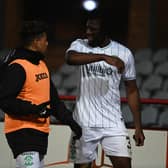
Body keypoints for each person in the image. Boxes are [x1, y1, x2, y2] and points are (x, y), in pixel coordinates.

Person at [65, 9, 145, 168]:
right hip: (83, 122)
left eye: (93, 29)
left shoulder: (124, 53)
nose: (88, 32)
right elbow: (70, 58)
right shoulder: (79, 45)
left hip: (113, 123)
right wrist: (103, 57)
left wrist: (138, 126)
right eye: (87, 27)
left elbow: (132, 90)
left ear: (105, 31)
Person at [0, 20, 82, 168]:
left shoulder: (41, 65)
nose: (47, 43)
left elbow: (54, 101)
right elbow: (5, 101)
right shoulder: (18, 67)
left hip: (39, 133)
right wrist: (35, 109)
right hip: (22, 133)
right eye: (45, 40)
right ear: (36, 42)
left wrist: (72, 122)